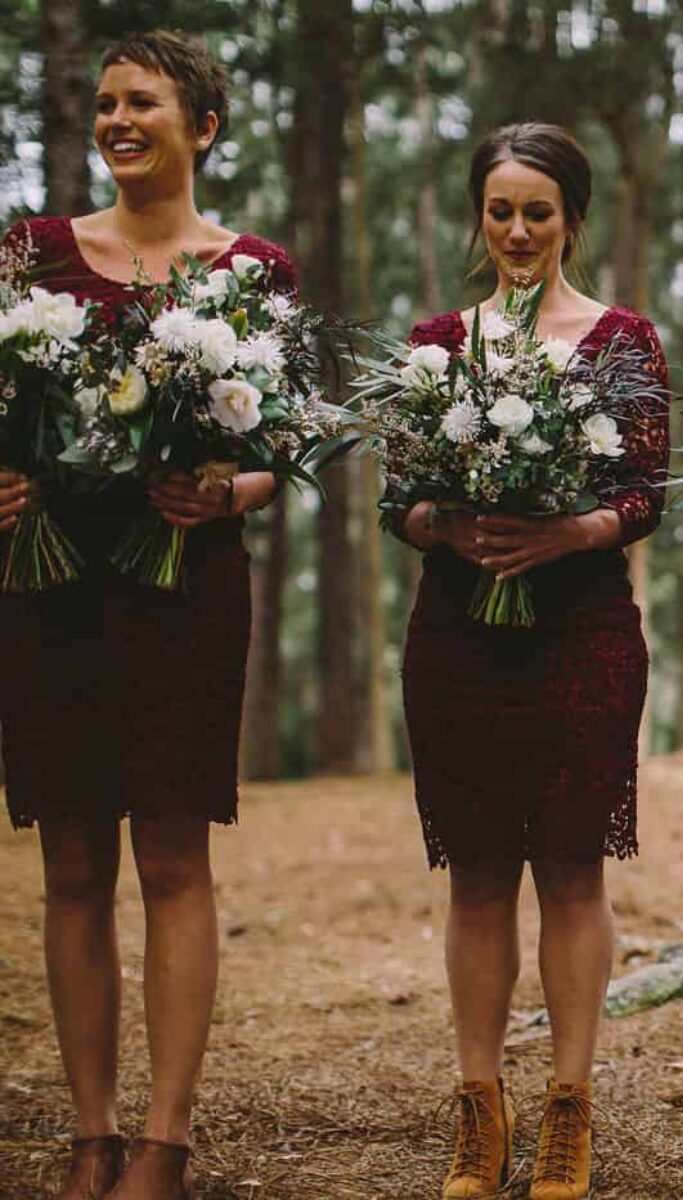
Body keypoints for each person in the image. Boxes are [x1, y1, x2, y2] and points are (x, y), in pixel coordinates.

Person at [0, 31, 291, 1200]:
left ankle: (163, 1141)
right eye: (108, 105)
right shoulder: (30, 254)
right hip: (50, 584)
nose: (119, 121)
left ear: (202, 129)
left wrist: (225, 489)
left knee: (172, 856)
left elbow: (279, 446)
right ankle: (89, 1131)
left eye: (145, 104)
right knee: (72, 860)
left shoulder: (253, 269)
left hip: (184, 585)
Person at [387, 122, 669, 1200]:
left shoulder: (622, 340)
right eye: (500, 211)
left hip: (582, 636)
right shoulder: (434, 340)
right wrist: (445, 527)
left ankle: (568, 1105)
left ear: (572, 222)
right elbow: (394, 498)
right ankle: (476, 1108)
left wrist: (569, 533)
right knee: (476, 875)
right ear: (479, 215)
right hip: (458, 636)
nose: (516, 231)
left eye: (537, 213)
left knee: (569, 868)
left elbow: (644, 490)